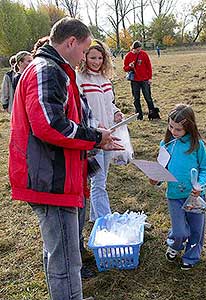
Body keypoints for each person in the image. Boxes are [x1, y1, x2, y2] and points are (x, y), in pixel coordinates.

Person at [8, 17, 122, 300]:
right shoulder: (48, 70)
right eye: (84, 51)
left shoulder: (57, 70)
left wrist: (98, 137)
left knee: (62, 252)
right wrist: (95, 137)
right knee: (66, 259)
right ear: (71, 42)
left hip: (59, 174)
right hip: (51, 178)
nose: (84, 57)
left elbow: (73, 117)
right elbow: (50, 124)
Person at [150, 104, 206, 270]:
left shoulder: (197, 145)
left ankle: (191, 257)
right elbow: (163, 169)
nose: (173, 131)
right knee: (180, 232)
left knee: (196, 230)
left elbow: (205, 168)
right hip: (175, 196)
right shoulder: (166, 144)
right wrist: (156, 179)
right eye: (170, 127)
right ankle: (174, 244)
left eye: (178, 129)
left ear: (189, 128)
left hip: (195, 197)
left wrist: (200, 185)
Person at [77, 39, 123, 222]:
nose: (96, 62)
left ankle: (95, 218)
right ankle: (105, 221)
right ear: (85, 57)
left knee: (102, 179)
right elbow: (81, 109)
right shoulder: (79, 79)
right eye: (92, 57)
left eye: (100, 58)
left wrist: (117, 112)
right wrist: (96, 126)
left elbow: (108, 103)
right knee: (98, 181)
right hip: (92, 136)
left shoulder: (105, 78)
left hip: (108, 135)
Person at [123, 40, 160, 120]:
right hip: (135, 80)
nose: (139, 51)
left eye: (140, 49)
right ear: (133, 48)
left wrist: (150, 78)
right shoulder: (128, 56)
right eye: (137, 50)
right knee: (136, 98)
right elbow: (125, 69)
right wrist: (130, 66)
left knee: (148, 97)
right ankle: (139, 115)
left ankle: (152, 114)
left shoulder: (144, 54)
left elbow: (149, 66)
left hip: (145, 80)